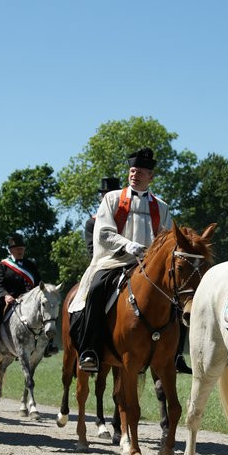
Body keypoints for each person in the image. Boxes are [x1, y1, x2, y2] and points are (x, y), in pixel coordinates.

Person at [69, 148, 173, 373]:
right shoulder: (113, 198)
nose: (135, 175)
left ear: (151, 177)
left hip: (148, 266)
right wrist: (128, 245)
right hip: (114, 261)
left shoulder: (162, 206)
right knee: (96, 290)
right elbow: (103, 232)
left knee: (176, 298)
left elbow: (168, 238)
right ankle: (90, 350)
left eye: (141, 172)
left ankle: (173, 356)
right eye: (132, 170)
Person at [0, 234, 41, 349]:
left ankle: (49, 344)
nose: (21, 251)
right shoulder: (2, 265)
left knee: (47, 308)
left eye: (22, 248)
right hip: (10, 298)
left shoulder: (31, 265)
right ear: (11, 250)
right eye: (18, 249)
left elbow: (38, 283)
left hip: (28, 299)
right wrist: (5, 296)